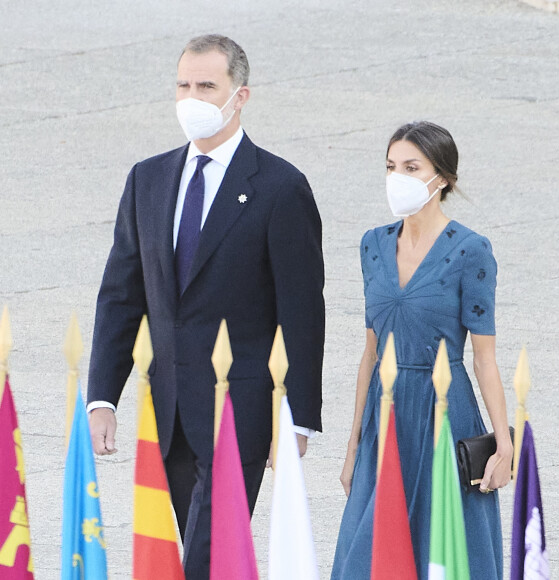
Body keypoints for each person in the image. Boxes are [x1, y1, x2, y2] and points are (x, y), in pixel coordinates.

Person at [87, 34, 325, 579]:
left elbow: (302, 310)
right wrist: (103, 395)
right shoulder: (147, 179)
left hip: (240, 409)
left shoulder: (280, 187)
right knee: (207, 555)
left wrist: (299, 418)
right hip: (169, 407)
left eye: (207, 86)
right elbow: (121, 294)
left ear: (240, 96)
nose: (192, 97)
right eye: (184, 85)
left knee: (206, 553)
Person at [331, 121, 512, 579]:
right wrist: (353, 442)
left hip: (444, 413)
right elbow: (369, 353)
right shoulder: (373, 245)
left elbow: (484, 358)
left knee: (445, 547)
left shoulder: (472, 251)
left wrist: (504, 441)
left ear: (443, 178)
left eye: (412, 167)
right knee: (369, 554)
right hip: (385, 412)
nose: (398, 178)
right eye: (391, 166)